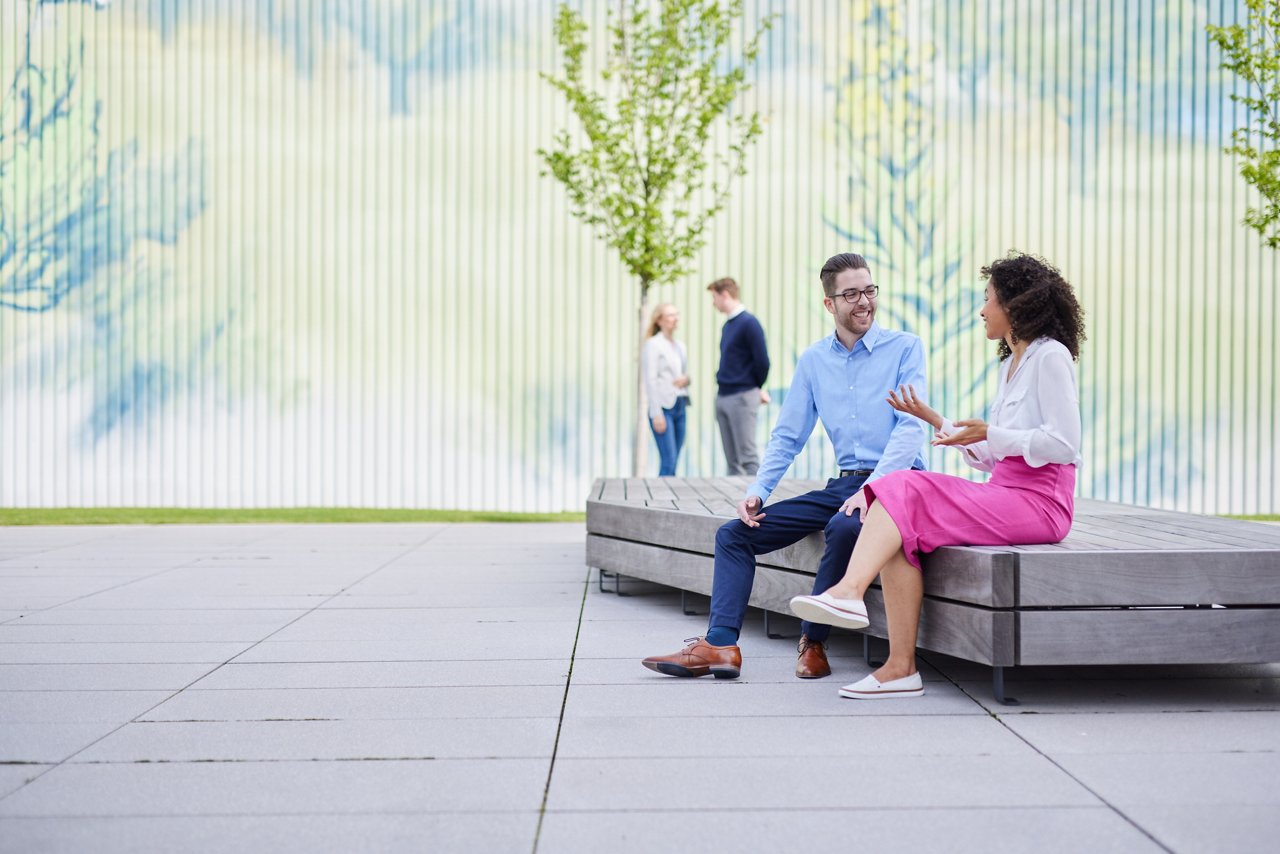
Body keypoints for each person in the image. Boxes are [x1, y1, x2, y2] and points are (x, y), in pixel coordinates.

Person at [789, 252, 1086, 699]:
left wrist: (996, 434)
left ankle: (849, 590)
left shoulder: (1051, 357)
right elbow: (992, 455)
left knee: (900, 485)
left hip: (1042, 504)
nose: (982, 310)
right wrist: (934, 419)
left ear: (1015, 306)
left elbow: (1065, 445)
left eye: (989, 300)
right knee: (898, 520)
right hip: (1005, 491)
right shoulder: (1010, 366)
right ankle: (900, 668)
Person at [642, 253, 928, 679]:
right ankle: (720, 644)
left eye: (869, 290)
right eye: (851, 294)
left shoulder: (905, 348)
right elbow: (789, 436)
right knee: (735, 534)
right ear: (830, 303)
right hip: (845, 483)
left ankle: (813, 641)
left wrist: (872, 491)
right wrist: (758, 491)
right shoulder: (814, 361)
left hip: (899, 482)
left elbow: (910, 430)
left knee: (845, 525)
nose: (864, 301)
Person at [707, 277, 770, 476]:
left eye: (714, 297)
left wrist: (754, 387)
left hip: (742, 396)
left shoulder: (749, 323)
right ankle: (734, 503)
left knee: (747, 457)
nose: (713, 302)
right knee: (732, 462)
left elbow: (763, 362)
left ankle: (754, 501)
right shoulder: (728, 326)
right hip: (724, 395)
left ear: (725, 294)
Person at [642, 303, 691, 476]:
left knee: (675, 459)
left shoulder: (680, 346)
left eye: (676, 314)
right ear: (660, 320)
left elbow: (681, 375)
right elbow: (650, 380)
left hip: (680, 404)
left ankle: (668, 498)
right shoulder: (653, 345)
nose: (675, 318)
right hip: (663, 407)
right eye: (670, 315)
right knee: (668, 460)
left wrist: (687, 379)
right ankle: (661, 499)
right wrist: (656, 414)